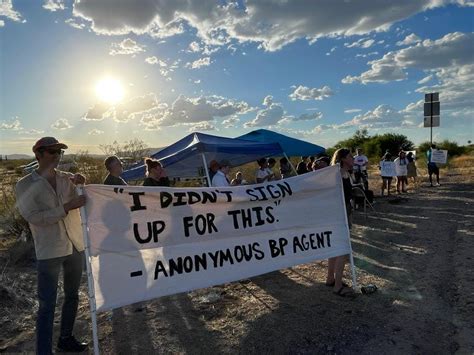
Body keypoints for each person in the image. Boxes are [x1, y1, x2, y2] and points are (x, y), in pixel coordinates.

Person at [15, 137, 88, 354]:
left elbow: (83, 200)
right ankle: (43, 351)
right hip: (50, 250)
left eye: (59, 152)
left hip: (75, 245)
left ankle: (66, 338)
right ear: (38, 154)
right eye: (52, 152)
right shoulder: (24, 184)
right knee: (47, 304)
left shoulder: (68, 179)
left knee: (73, 295)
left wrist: (83, 183)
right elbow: (33, 216)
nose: (57, 156)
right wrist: (66, 207)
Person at [326, 148, 356, 298]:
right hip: (338, 216)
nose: (353, 158)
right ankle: (338, 286)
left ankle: (330, 279)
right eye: (351, 156)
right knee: (342, 250)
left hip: (344, 213)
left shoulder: (346, 173)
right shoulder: (337, 174)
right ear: (343, 159)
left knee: (335, 249)